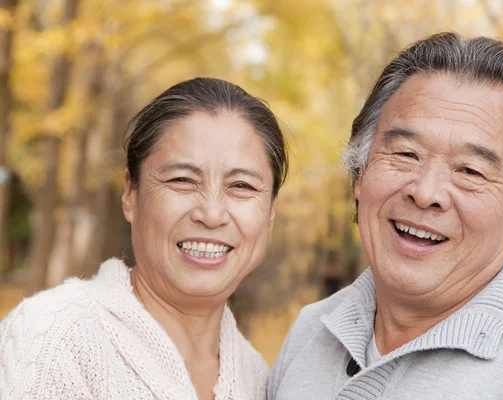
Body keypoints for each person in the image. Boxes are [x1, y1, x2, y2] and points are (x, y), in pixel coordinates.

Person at [268, 32, 503, 399]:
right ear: (361, 172)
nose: (425, 193)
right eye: (406, 154)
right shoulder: (311, 331)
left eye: (470, 171)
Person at [0, 77, 288, 399]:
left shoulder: (262, 381)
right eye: (182, 180)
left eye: (242, 186)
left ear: (271, 212)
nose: (211, 214)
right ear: (130, 194)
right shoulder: (54, 338)